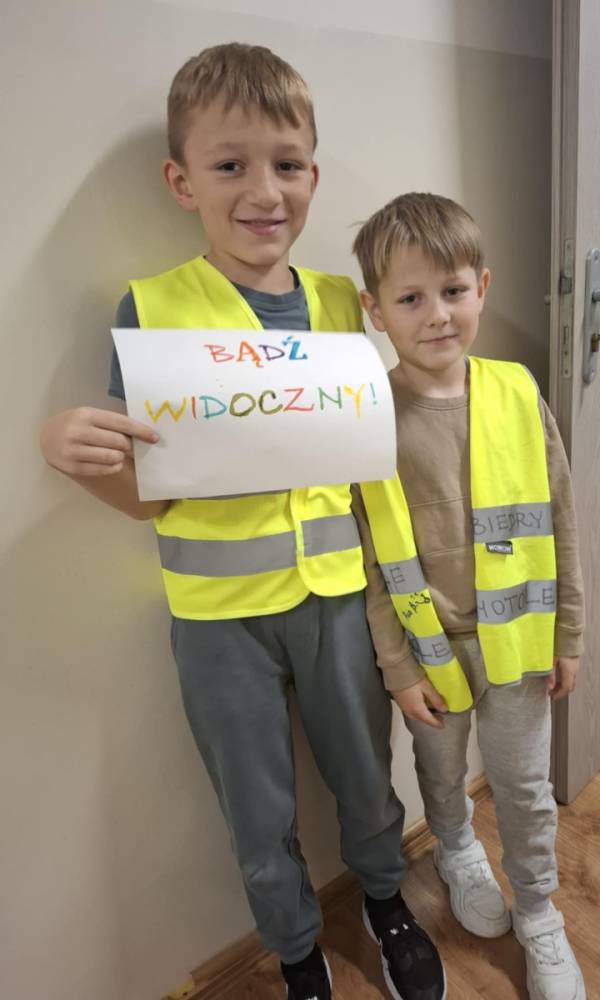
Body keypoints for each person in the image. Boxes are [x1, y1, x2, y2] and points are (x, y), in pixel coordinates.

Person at [38, 45, 445, 1000]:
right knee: (256, 808)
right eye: (230, 165)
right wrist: (67, 449)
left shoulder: (345, 303)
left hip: (339, 601)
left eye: (287, 164)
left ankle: (386, 902)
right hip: (218, 619)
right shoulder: (151, 310)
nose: (264, 191)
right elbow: (150, 493)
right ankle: (297, 953)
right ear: (182, 182)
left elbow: (376, 450)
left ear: (313, 175)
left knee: (365, 774)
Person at [351, 192, 587, 1000]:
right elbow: (372, 556)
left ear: (482, 287)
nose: (437, 315)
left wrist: (569, 633)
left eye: (453, 291)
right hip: (430, 653)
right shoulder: (371, 413)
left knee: (524, 788)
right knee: (442, 775)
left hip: (518, 642)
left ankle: (540, 911)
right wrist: (397, 667)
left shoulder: (517, 392)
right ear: (375, 309)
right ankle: (456, 850)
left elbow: (560, 517)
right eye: (410, 298)